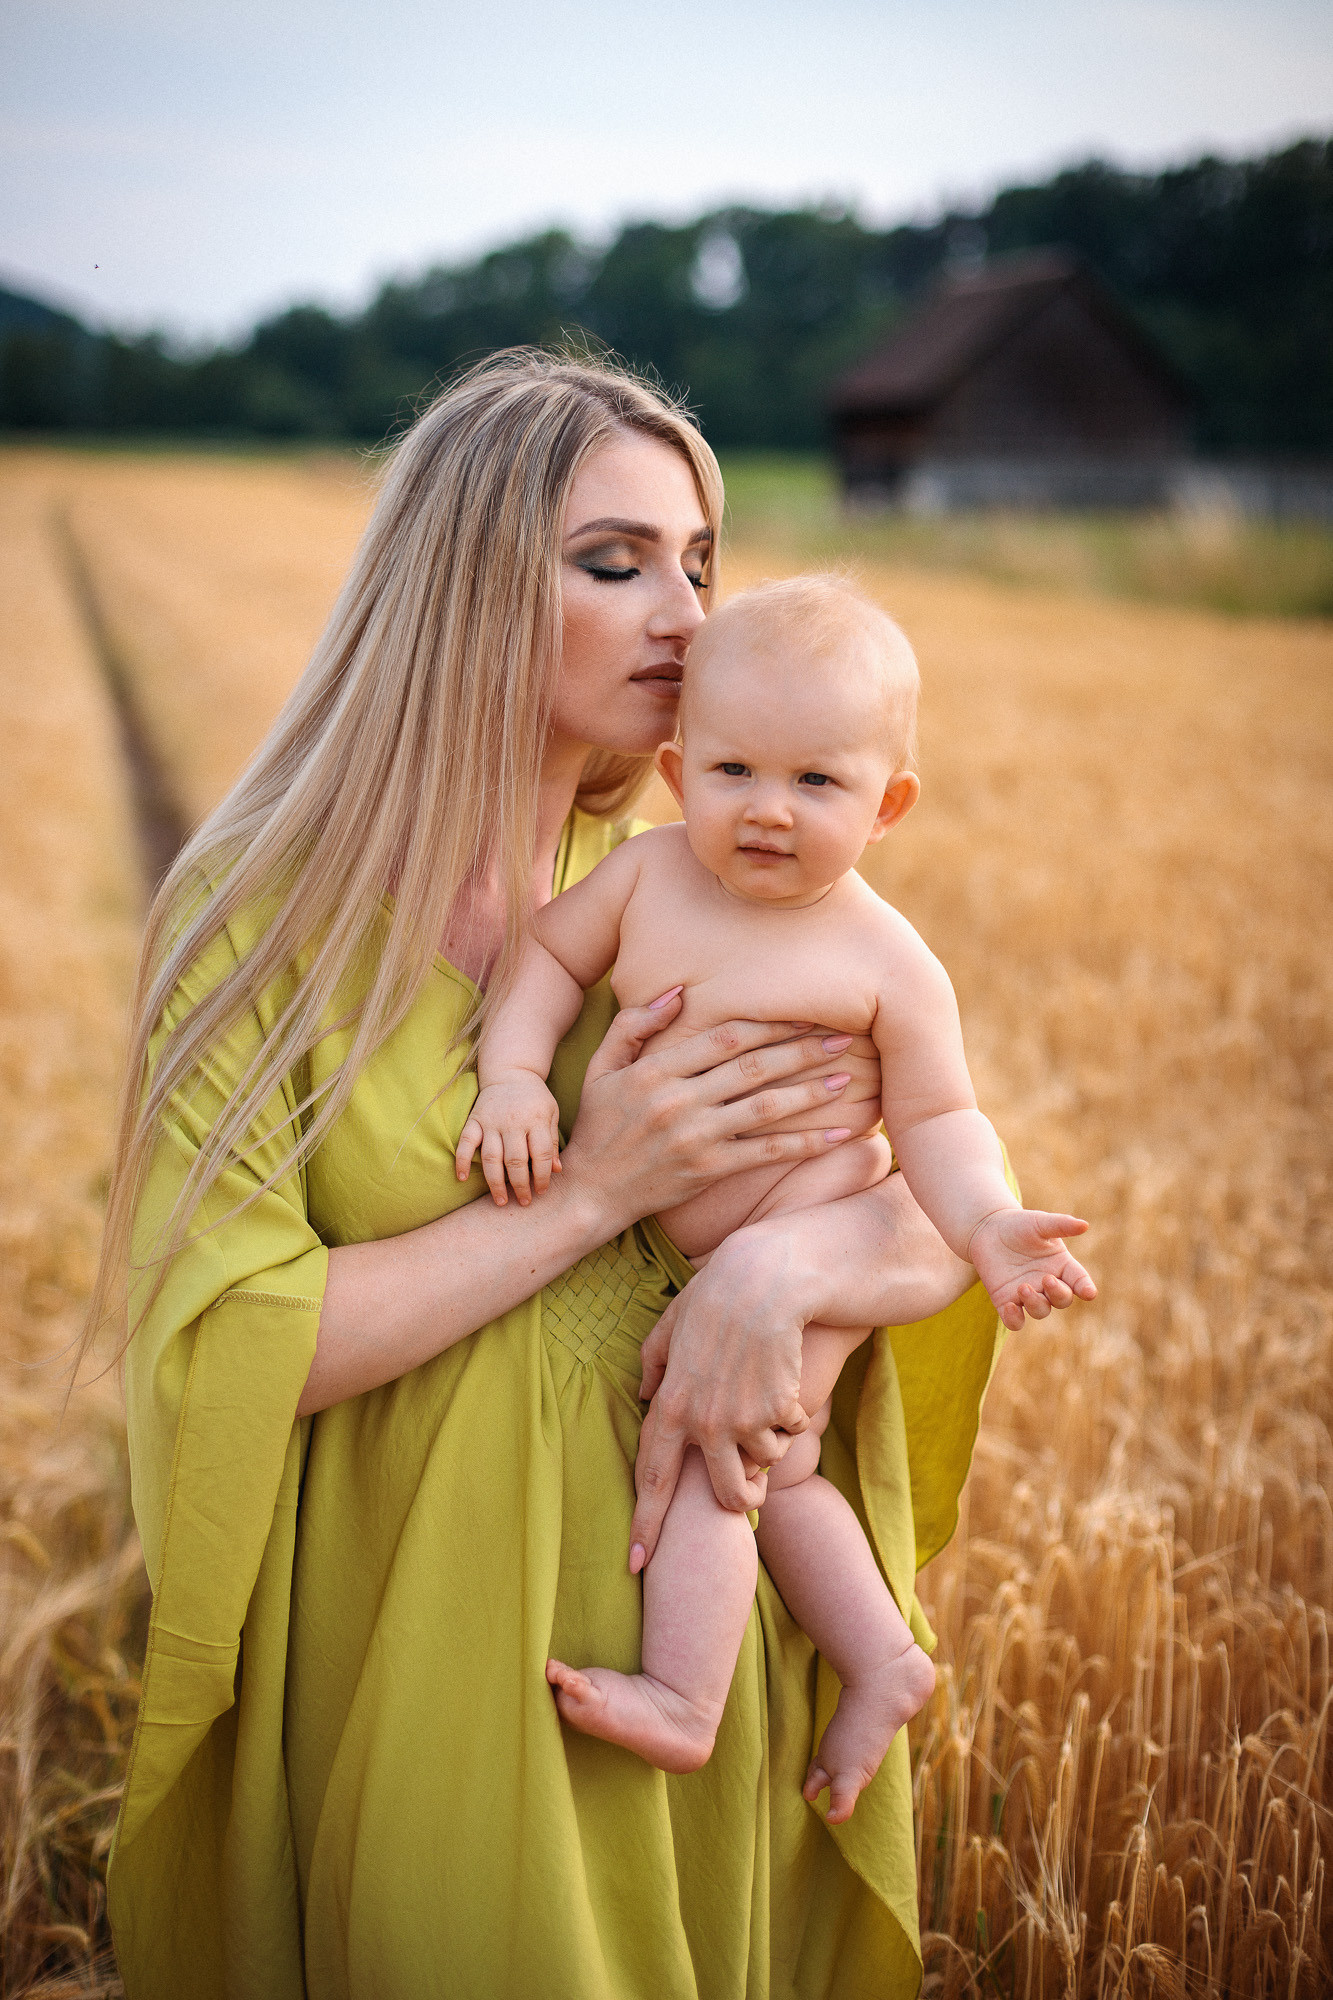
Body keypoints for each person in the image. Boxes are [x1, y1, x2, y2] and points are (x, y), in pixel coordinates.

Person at [91, 349, 1073, 2000]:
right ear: (466, 590)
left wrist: (772, 1273)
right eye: (614, 564)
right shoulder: (260, 928)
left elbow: (917, 1207)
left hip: (700, 1644)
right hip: (434, 1642)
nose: (685, 616)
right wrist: (595, 1192)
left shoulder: (706, 887)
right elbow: (235, 1342)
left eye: (699, 563)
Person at [456, 574, 1095, 1825]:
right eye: (734, 769)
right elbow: (543, 959)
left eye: (815, 781)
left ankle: (683, 1697)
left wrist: (985, 1225)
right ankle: (883, 1657)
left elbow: (938, 1121)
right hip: (708, 1255)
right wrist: (514, 1077)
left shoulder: (887, 959)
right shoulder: (644, 876)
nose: (767, 807)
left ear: (886, 803)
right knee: (780, 1471)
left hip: (820, 1235)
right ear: (675, 772)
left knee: (727, 1457)